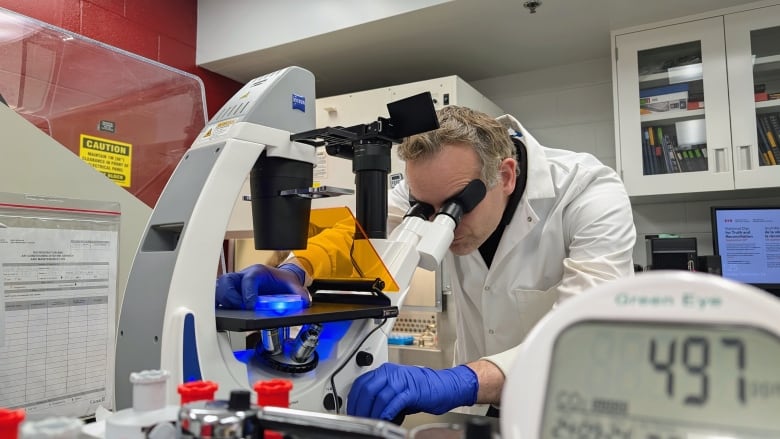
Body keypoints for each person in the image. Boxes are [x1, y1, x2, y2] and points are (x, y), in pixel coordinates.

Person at [215, 105, 636, 420]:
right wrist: (295, 269)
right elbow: (360, 232)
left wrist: (461, 381)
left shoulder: (588, 193)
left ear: (505, 176)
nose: (441, 225)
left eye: (455, 207)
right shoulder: (431, 193)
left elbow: (588, 336)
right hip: (491, 406)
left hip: (577, 409)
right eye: (424, 207)